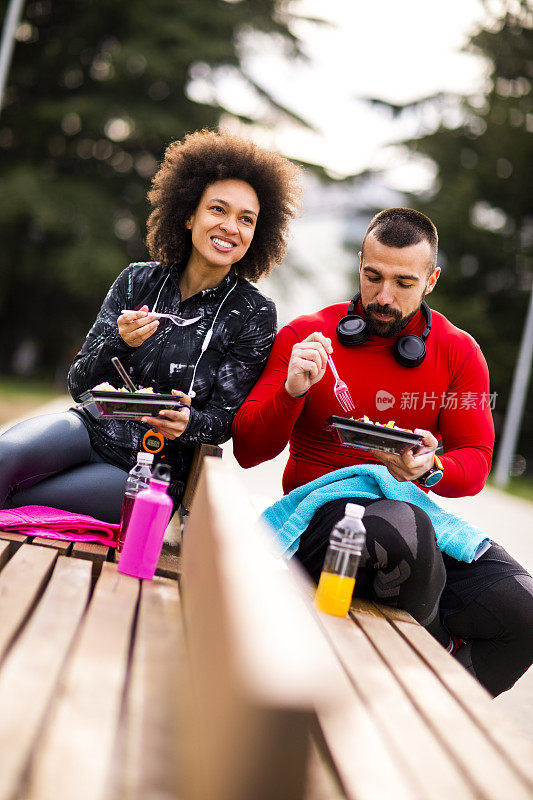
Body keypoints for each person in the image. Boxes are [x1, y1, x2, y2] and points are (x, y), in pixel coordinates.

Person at [232, 207, 533, 697]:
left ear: (431, 280)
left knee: (522, 611)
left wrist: (431, 467)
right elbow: (247, 449)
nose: (384, 297)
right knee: (404, 530)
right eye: (373, 277)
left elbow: (475, 462)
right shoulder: (307, 337)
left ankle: (427, 715)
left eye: (403, 282)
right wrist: (291, 391)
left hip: (408, 519)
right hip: (322, 522)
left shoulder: (459, 352)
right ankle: (403, 694)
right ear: (359, 265)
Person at [0, 129, 301, 522]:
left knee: (25, 497)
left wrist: (188, 422)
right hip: (89, 428)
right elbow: (78, 384)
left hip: (151, 470)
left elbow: (224, 421)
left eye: (246, 219)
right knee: (4, 461)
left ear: (256, 234)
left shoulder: (254, 313)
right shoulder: (136, 281)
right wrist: (118, 341)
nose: (231, 226)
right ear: (189, 214)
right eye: (218, 209)